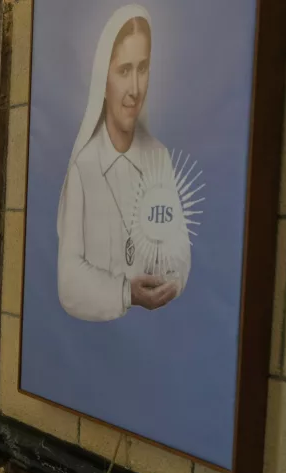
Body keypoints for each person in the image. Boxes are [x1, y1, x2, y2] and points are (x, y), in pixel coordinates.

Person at [56, 4, 190, 321]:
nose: (134, 89)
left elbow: (180, 249)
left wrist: (173, 280)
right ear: (104, 80)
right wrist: (127, 292)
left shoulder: (159, 158)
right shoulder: (83, 169)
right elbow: (69, 280)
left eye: (142, 69)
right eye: (124, 70)